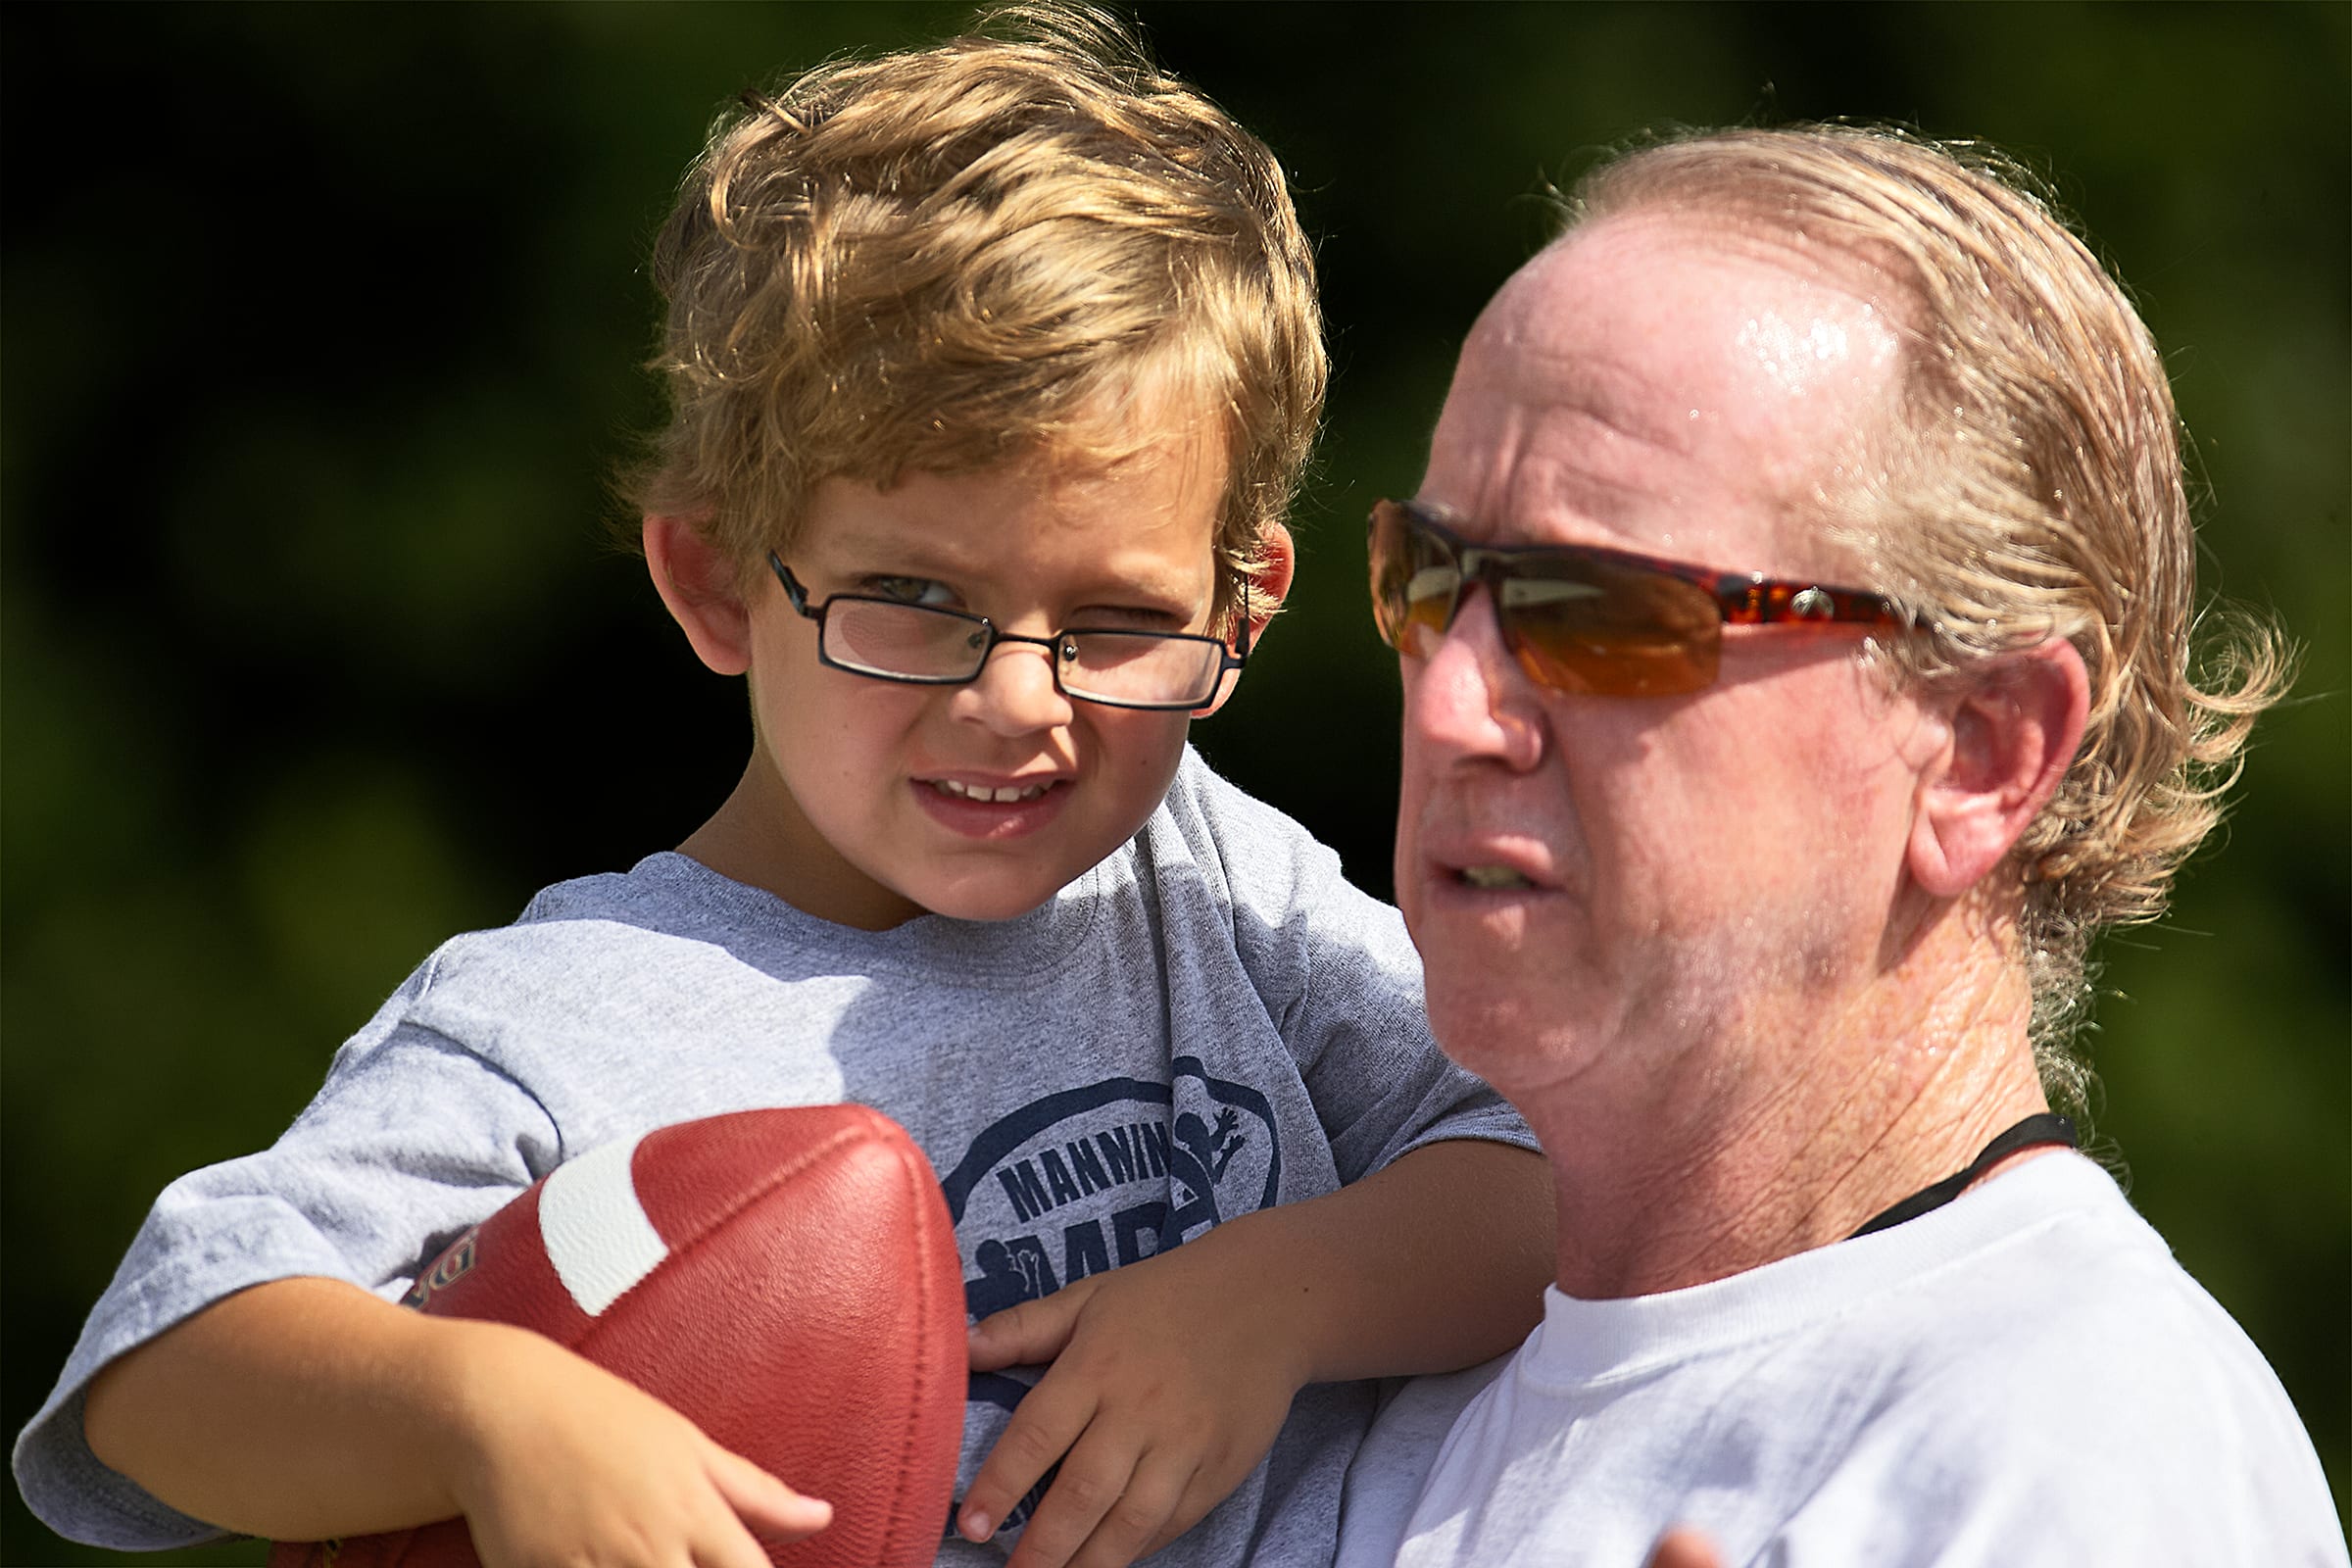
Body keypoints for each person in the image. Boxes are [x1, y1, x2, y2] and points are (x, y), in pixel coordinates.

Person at [13, 12, 1556, 1568]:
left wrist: (1274, 1300)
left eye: (1116, 622)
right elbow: (159, 1379)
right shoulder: (565, 1022)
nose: (1015, 700)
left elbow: (1565, 1169)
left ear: (1241, 612)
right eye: (914, 600)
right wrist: (491, 1413)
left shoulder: (1204, 879)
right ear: (716, 584)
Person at [1334, 125, 2344, 1565]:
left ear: (1982, 750)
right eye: (1428, 580)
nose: (1449, 705)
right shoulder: (1345, 1350)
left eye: (1599, 611)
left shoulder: (2080, 1455)